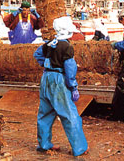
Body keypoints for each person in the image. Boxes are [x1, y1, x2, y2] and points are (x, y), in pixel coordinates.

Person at [33, 16, 88, 156]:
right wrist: (73, 87)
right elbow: (70, 69)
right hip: (58, 79)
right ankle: (80, 148)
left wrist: (47, 65)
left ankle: (44, 144)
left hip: (46, 78)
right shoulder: (67, 47)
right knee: (69, 115)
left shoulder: (50, 43)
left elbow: (37, 54)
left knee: (45, 113)